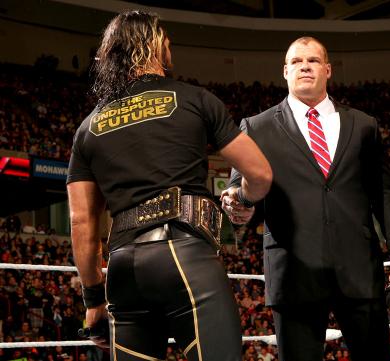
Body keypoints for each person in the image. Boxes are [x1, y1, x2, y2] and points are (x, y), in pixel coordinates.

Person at [66, 10, 272, 361]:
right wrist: (244, 198)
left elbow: (81, 223)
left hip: (123, 269)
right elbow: (261, 173)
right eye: (164, 36)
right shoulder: (194, 98)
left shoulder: (89, 127)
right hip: (184, 255)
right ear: (150, 44)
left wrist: (93, 301)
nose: (170, 42)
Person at [221, 37, 390, 361]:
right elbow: (238, 192)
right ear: (285, 71)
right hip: (293, 273)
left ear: (327, 70)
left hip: (358, 271)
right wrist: (238, 204)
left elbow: (382, 193)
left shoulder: (364, 125)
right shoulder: (256, 127)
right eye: (297, 61)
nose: (305, 66)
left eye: (313, 60)